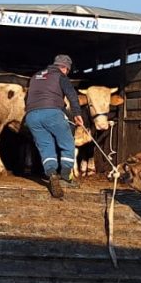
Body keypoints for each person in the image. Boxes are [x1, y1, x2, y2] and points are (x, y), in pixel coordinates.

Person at [24, 54, 84, 199]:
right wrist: (77, 114)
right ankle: (65, 177)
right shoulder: (61, 76)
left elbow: (28, 97)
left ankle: (51, 173)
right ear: (65, 68)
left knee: (46, 146)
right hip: (51, 113)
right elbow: (72, 95)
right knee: (67, 143)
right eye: (68, 70)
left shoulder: (35, 76)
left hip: (31, 116)